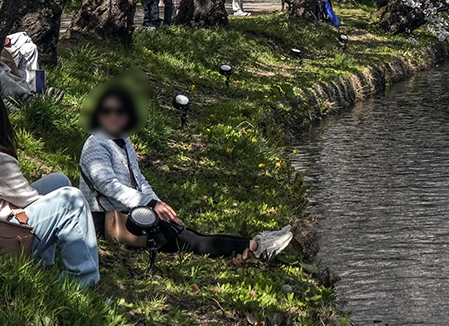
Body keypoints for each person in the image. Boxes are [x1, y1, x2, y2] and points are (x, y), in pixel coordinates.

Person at [79, 86, 293, 260]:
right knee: (189, 240)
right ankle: (256, 246)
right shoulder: (95, 145)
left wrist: (159, 207)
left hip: (135, 213)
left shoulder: (123, 140)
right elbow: (107, 185)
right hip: (107, 220)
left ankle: (250, 246)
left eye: (120, 111)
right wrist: (150, 204)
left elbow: (139, 179)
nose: (114, 117)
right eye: (107, 111)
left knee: (185, 232)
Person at [0, 90, 100, 286]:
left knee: (58, 181)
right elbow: (28, 199)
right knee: (71, 200)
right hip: (0, 237)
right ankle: (82, 279)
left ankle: (42, 263)